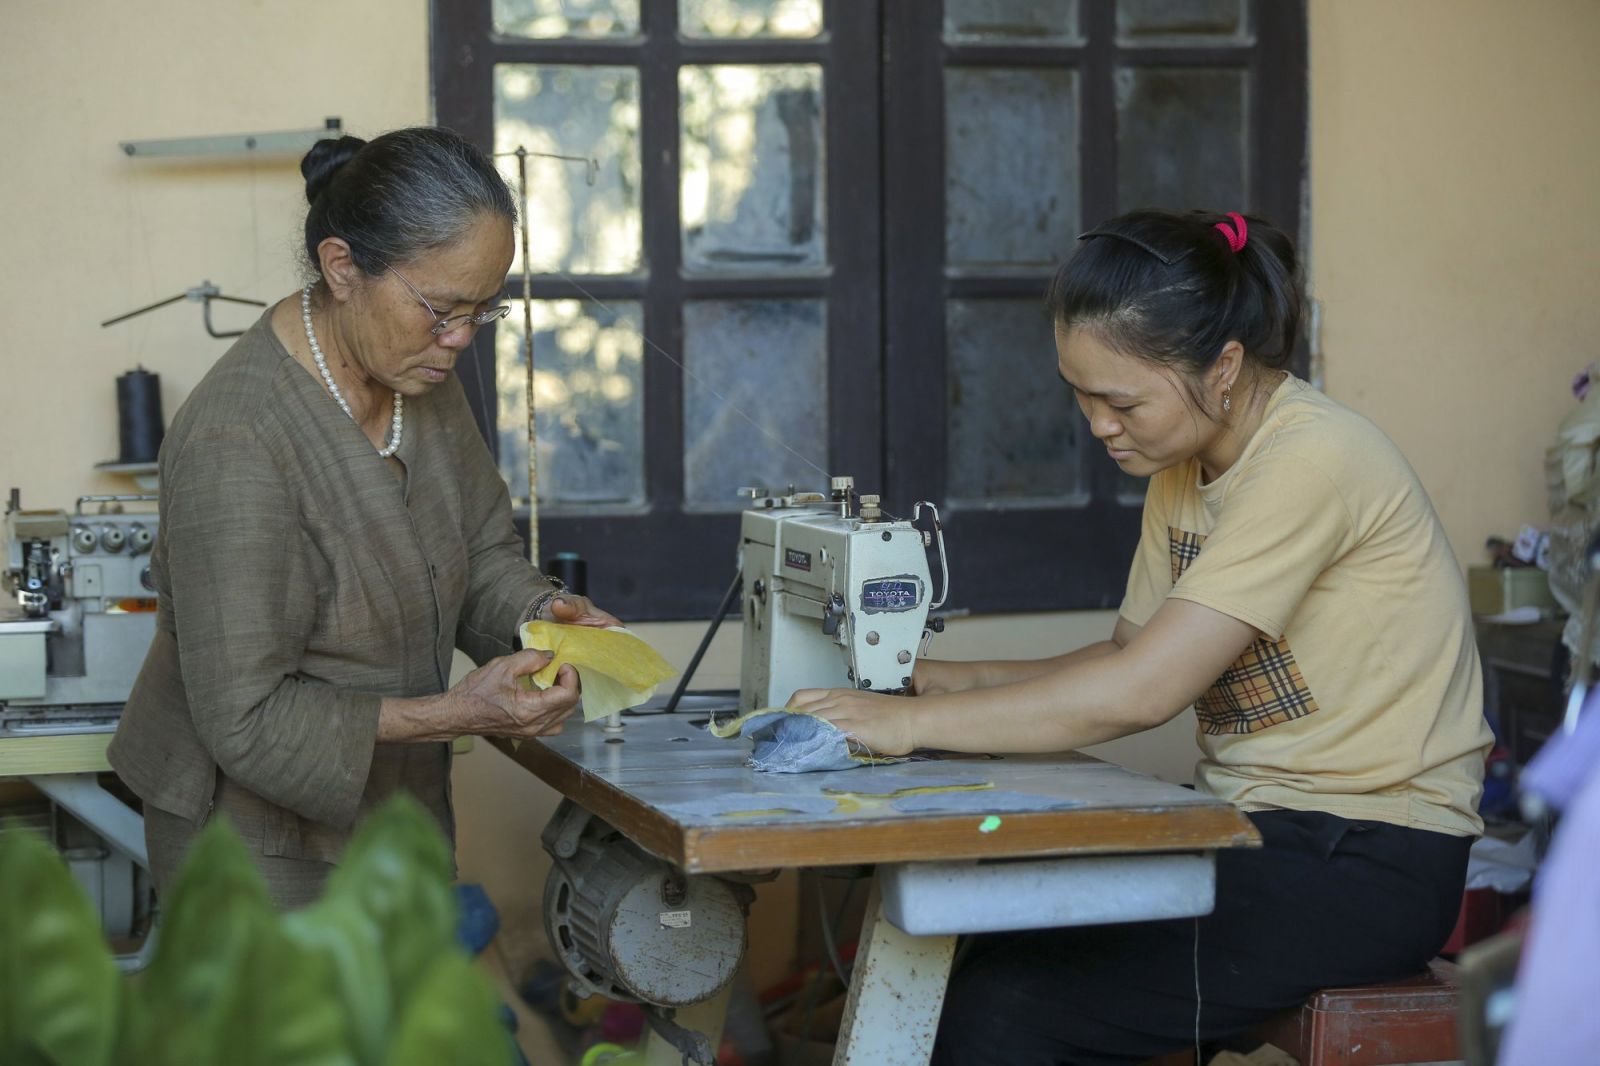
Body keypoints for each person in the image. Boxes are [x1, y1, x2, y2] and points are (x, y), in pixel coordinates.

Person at [788, 209, 1493, 1064]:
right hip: (1254, 832)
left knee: (1008, 1007)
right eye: (1080, 396)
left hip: (1370, 858)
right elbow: (1129, 653)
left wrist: (902, 727)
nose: (1098, 425)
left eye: (1120, 401)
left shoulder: (1313, 461)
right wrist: (935, 680)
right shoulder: (1187, 470)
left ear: (1224, 367)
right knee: (983, 954)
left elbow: (1143, 695)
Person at [108, 127, 617, 909]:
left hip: (396, 808)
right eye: (442, 309)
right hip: (247, 841)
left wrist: (540, 618)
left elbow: (477, 550)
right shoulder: (236, 439)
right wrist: (460, 712)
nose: (457, 341)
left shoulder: (415, 370)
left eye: (481, 313)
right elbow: (245, 718)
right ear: (342, 267)